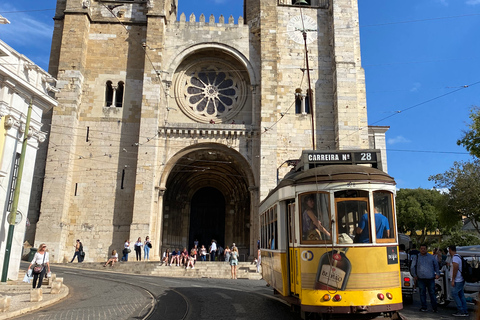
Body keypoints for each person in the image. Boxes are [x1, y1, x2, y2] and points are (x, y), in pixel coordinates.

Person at [410, 244, 439, 313]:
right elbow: (412, 267)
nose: (423, 250)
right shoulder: (416, 257)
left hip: (430, 278)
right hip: (421, 279)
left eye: (424, 248)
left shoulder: (431, 257)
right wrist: (414, 275)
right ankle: (424, 307)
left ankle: (434, 308)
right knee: (422, 293)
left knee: (432, 293)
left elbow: (436, 265)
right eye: (421, 248)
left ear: (426, 249)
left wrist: (437, 273)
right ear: (419, 249)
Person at [448, 245, 468, 317]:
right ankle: (464, 310)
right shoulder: (458, 256)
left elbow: (455, 268)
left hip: (457, 280)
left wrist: (453, 279)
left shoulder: (455, 258)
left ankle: (461, 310)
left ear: (450, 250)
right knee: (461, 295)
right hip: (460, 279)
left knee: (454, 294)